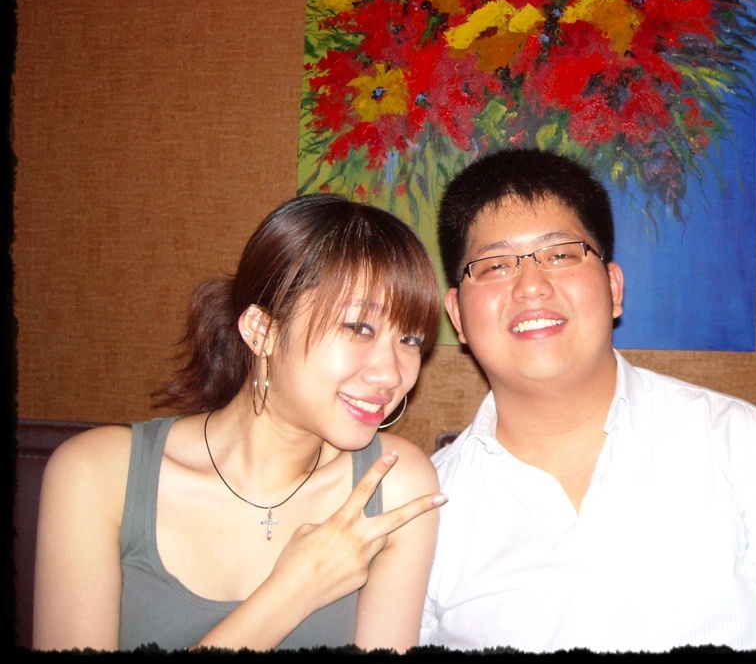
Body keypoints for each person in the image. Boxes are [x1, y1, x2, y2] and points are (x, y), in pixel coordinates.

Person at [418, 149, 756, 652]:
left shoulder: (743, 447)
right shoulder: (424, 508)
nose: (531, 286)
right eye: (494, 265)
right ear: (458, 316)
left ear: (613, 287)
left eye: (561, 255)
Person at [34, 193, 447, 652]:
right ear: (261, 330)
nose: (392, 374)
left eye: (411, 339)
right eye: (358, 328)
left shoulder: (394, 485)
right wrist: (293, 593)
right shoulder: (97, 474)